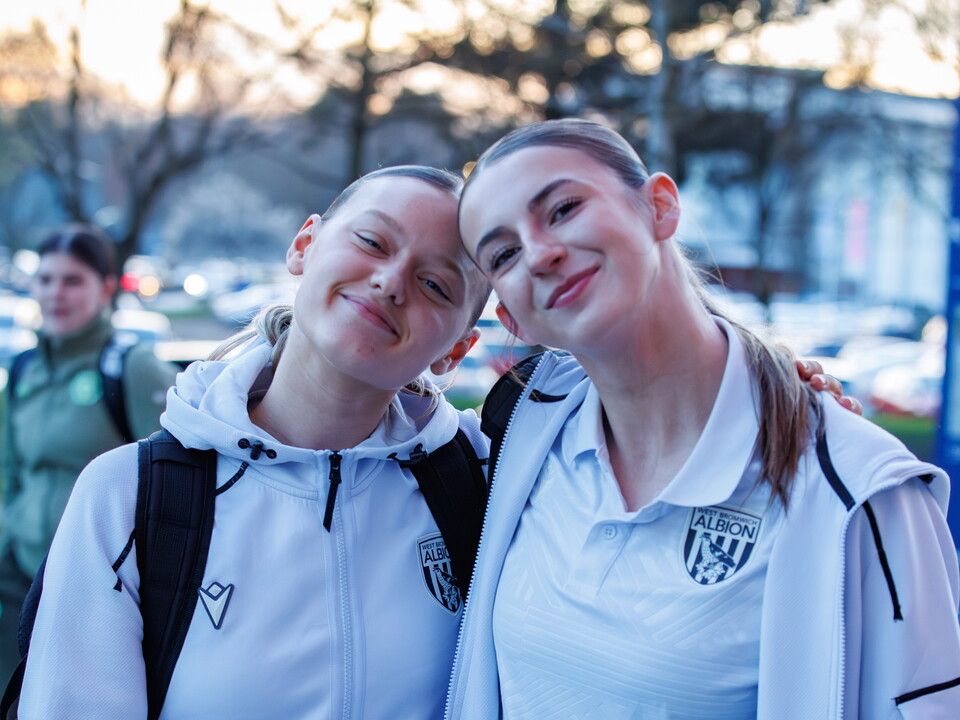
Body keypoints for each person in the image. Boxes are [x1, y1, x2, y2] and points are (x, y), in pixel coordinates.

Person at [446, 119, 960, 719]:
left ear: (659, 206)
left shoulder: (857, 491)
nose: (540, 251)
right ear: (511, 317)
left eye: (563, 208)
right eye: (503, 252)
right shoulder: (517, 432)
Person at [17, 166, 493, 719]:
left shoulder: (483, 481)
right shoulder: (127, 495)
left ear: (457, 350)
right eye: (372, 241)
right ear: (304, 245)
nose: (390, 281)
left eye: (435, 284)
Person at [0, 224, 179, 685]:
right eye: (45, 279)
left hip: (94, 587)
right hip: (18, 578)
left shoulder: (131, 368)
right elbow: (7, 472)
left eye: (72, 280)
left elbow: (181, 480)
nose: (55, 293)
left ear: (104, 288)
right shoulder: (23, 369)